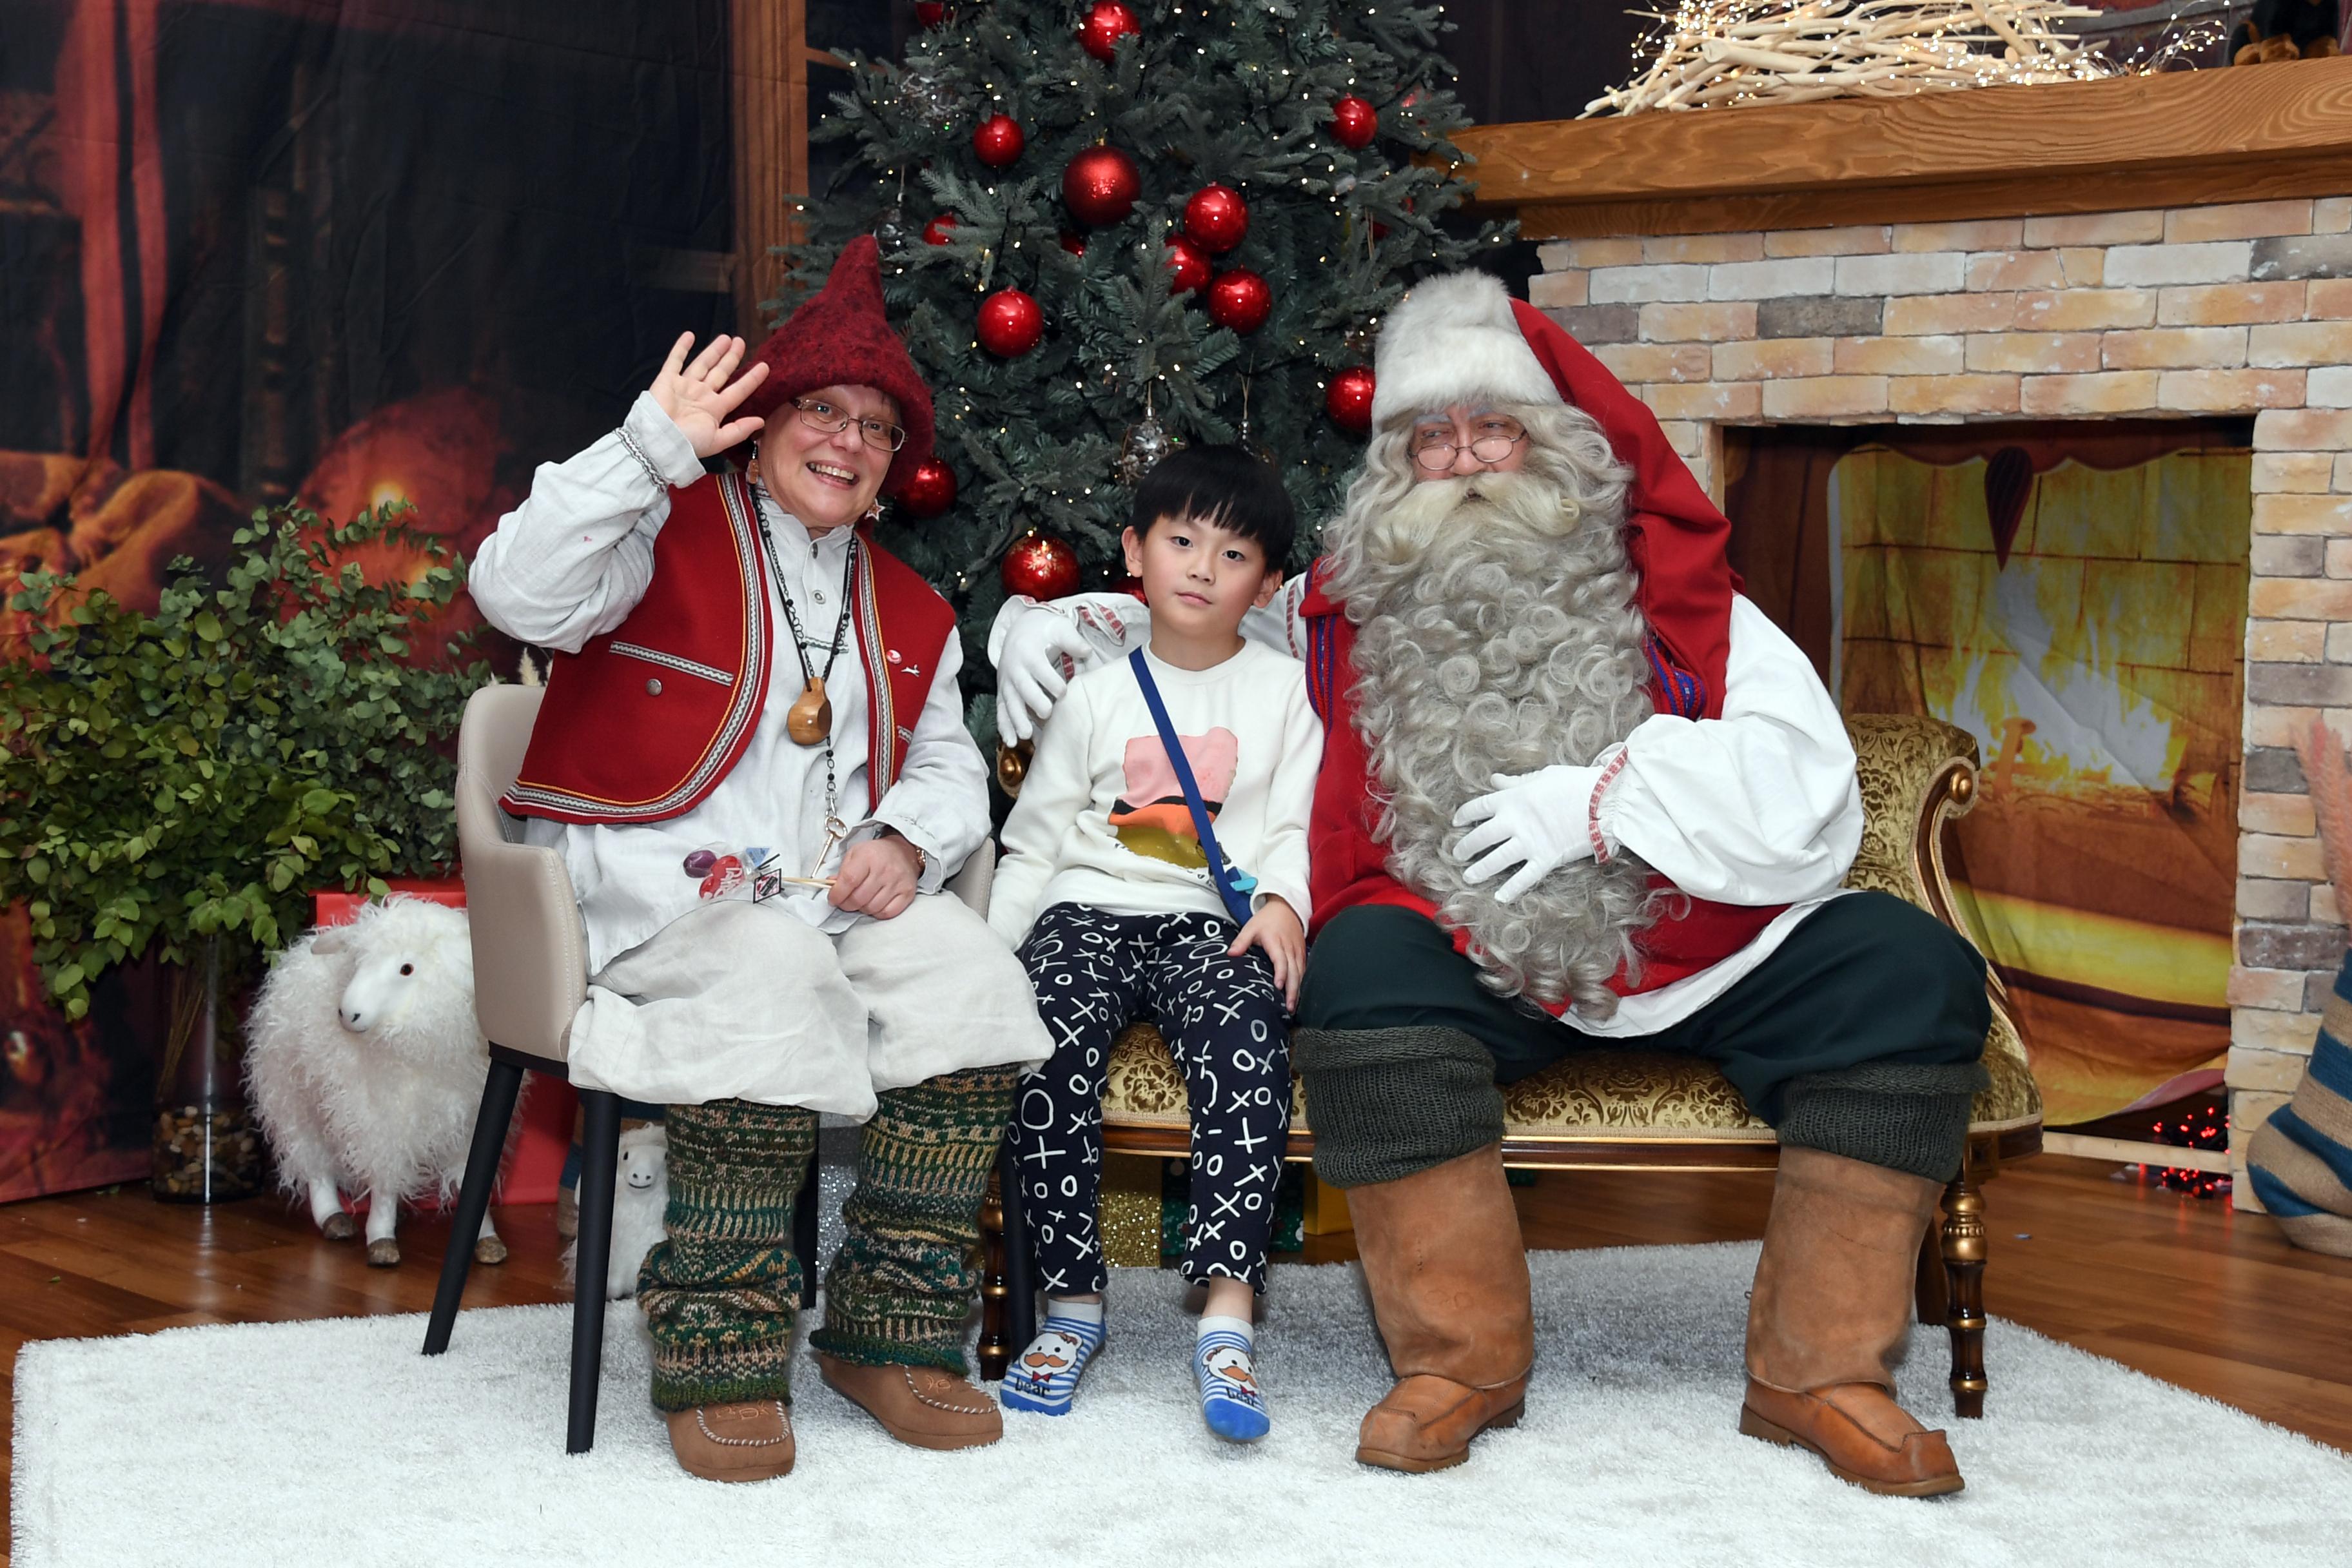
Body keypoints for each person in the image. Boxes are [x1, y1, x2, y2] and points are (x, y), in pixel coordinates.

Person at [988, 269, 1992, 1496]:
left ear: (1555, 445)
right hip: (1461, 944)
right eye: (1430, 437)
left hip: (1690, 942)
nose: (1463, 461)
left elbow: (1810, 786)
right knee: (1357, 970)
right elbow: (1198, 610)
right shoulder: (1335, 608)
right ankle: (1459, 1362)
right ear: (1393, 472)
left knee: (1908, 969)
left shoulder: (1682, 599)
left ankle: (1819, 1373)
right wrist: (1044, 626)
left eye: (1493, 428)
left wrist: (1602, 802)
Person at [469, 239, 1051, 1483]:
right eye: (820, 411)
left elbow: (949, 766)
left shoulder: (914, 611)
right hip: (656, 905)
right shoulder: (652, 530)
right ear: (762, 422)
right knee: (770, 981)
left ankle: (889, 1332)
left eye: (876, 428)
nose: (844, 441)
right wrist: (644, 448)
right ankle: (719, 1346)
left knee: (972, 981)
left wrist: (909, 837)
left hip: (827, 900)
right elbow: (514, 593)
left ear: (898, 465)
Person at [989, 446, 1321, 1444]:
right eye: (1181, 540)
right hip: (1087, 910)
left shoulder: (1285, 694)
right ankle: (1072, 1308)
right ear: (1136, 551)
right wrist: (991, 965)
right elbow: (1033, 844)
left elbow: (1298, 826)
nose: (1201, 568)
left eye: (1232, 554)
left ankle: (1226, 1318)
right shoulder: (1095, 696)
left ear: (1264, 583)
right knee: (1044, 1049)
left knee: (1246, 1042)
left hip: (1210, 926)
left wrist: (1286, 905)